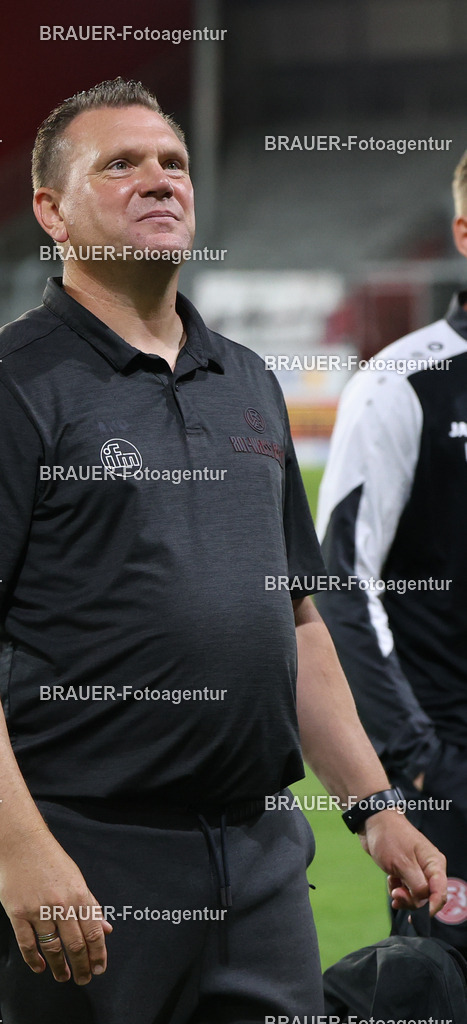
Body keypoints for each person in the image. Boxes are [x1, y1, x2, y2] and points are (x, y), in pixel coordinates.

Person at [0, 78, 446, 1024]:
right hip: (88, 851)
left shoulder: (248, 380)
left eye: (173, 163)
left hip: (259, 855)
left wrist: (373, 803)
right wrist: (19, 846)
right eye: (120, 164)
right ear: (50, 211)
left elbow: (299, 621)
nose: (159, 179)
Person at [317, 150, 467, 955]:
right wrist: (417, 762)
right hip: (452, 773)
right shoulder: (400, 384)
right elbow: (337, 587)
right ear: (463, 233)